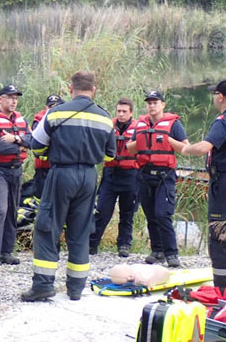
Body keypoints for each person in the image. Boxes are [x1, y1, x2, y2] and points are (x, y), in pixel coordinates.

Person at [21, 70, 115, 302]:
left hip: (61, 173)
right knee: (80, 231)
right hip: (88, 176)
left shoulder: (55, 113)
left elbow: (36, 144)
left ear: (70, 90)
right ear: (94, 90)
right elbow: (111, 156)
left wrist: (52, 154)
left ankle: (43, 285)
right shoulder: (104, 117)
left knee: (47, 228)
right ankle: (75, 289)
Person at [180, 79, 226, 291]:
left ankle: (224, 291)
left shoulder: (224, 120)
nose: (213, 98)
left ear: (220, 97)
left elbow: (204, 147)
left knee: (221, 235)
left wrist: (185, 149)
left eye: (215, 94)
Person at [126, 90, 189, 268]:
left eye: (155, 102)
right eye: (149, 103)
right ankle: (157, 250)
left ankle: (172, 253)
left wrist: (165, 140)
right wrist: (144, 139)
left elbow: (186, 147)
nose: (152, 106)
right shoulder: (140, 125)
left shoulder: (173, 124)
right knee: (150, 215)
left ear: (163, 105)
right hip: (145, 174)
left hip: (164, 176)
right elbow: (130, 149)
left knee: (163, 214)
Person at [0, 84, 32, 271]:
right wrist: (21, 146)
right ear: (0, 99)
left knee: (12, 211)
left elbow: (33, 140)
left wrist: (16, 139)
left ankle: (6, 253)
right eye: (9, 97)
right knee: (0, 211)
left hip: (16, 170)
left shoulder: (21, 120)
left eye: (16, 98)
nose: (13, 101)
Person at [89, 98, 140, 257]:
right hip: (111, 175)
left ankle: (124, 245)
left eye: (124, 111)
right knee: (102, 211)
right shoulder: (108, 126)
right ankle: (92, 244)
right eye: (119, 111)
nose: (121, 114)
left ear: (131, 113)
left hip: (131, 176)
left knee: (127, 213)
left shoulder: (138, 128)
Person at [32, 94, 64, 199]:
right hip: (43, 169)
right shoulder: (39, 121)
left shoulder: (65, 120)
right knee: (42, 201)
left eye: (57, 106)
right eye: (51, 106)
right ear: (46, 108)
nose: (54, 109)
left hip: (60, 170)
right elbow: (36, 144)